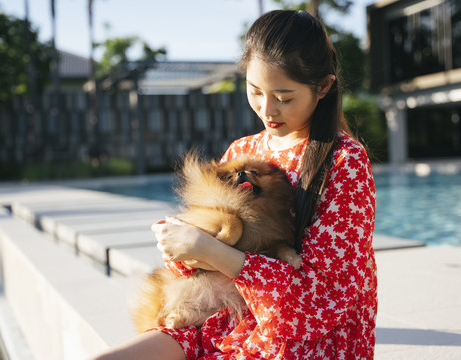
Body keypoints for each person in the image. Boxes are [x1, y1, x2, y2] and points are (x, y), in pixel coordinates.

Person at [91, 9, 377, 360]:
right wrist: (179, 246)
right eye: (255, 90)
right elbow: (190, 262)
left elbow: (318, 305)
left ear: (323, 86)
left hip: (301, 342)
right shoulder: (243, 151)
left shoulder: (345, 163)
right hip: (221, 322)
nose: (267, 109)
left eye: (284, 97)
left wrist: (213, 252)